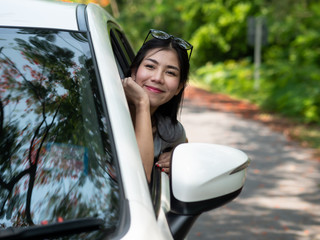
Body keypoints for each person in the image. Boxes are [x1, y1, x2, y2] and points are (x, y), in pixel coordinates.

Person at [122, 29, 193, 182]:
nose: (158, 78)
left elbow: (185, 145)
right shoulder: (103, 110)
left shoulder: (169, 131)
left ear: (179, 88)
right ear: (134, 72)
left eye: (170, 73)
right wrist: (142, 103)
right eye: (150, 66)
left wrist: (177, 155)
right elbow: (139, 179)